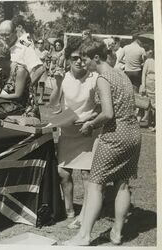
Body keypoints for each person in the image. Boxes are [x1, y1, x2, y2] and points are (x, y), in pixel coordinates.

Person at [64, 41, 141, 246]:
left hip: (115, 136)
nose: (83, 63)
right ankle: (116, 233)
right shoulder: (120, 74)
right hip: (133, 135)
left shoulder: (102, 78)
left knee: (95, 184)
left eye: (85, 59)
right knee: (122, 184)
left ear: (96, 58)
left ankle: (84, 236)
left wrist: (90, 124)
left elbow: (108, 113)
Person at [49, 39, 100, 229]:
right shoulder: (63, 78)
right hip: (68, 130)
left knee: (87, 174)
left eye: (82, 58)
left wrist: (90, 120)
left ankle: (87, 211)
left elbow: (101, 107)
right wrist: (58, 83)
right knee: (63, 172)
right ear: (68, 59)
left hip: (88, 131)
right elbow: (53, 105)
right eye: (74, 58)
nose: (79, 62)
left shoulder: (94, 77)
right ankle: (69, 210)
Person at [0, 40, 39, 118]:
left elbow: (17, 95)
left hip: (27, 111)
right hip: (11, 108)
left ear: (2, 58)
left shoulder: (20, 71)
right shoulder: (0, 72)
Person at [140, 45, 155, 131]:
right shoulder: (148, 61)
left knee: (154, 104)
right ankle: (150, 122)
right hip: (150, 84)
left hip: (155, 84)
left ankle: (154, 123)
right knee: (149, 104)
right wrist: (143, 86)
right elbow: (143, 74)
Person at [34, 39, 49, 104]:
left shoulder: (46, 52)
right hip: (35, 69)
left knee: (41, 84)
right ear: (37, 43)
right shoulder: (34, 50)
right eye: (39, 43)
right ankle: (34, 99)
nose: (40, 44)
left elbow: (48, 60)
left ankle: (41, 99)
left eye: (41, 43)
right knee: (34, 84)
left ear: (43, 44)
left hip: (42, 68)